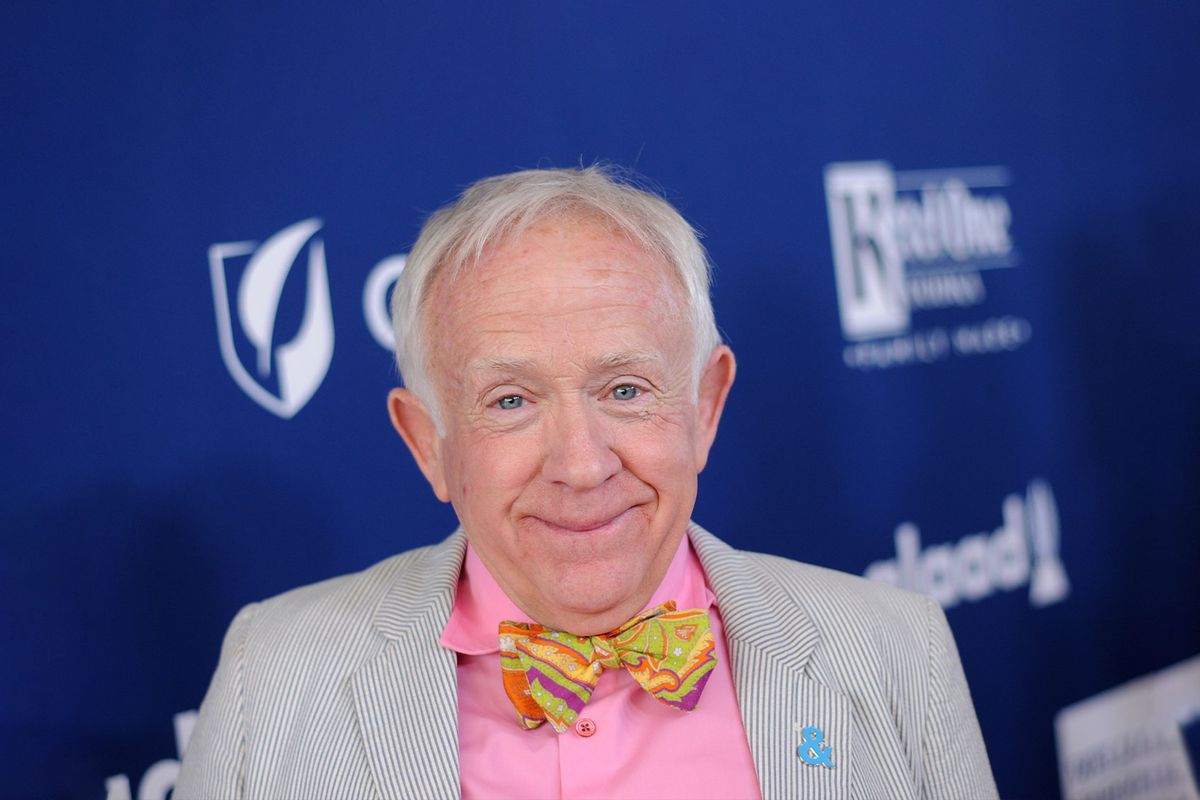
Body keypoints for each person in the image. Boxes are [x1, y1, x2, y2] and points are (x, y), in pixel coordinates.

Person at [175, 166, 998, 800]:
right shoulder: (273, 674)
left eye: (626, 390)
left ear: (706, 406)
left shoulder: (897, 652)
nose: (580, 464)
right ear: (428, 444)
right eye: (510, 400)